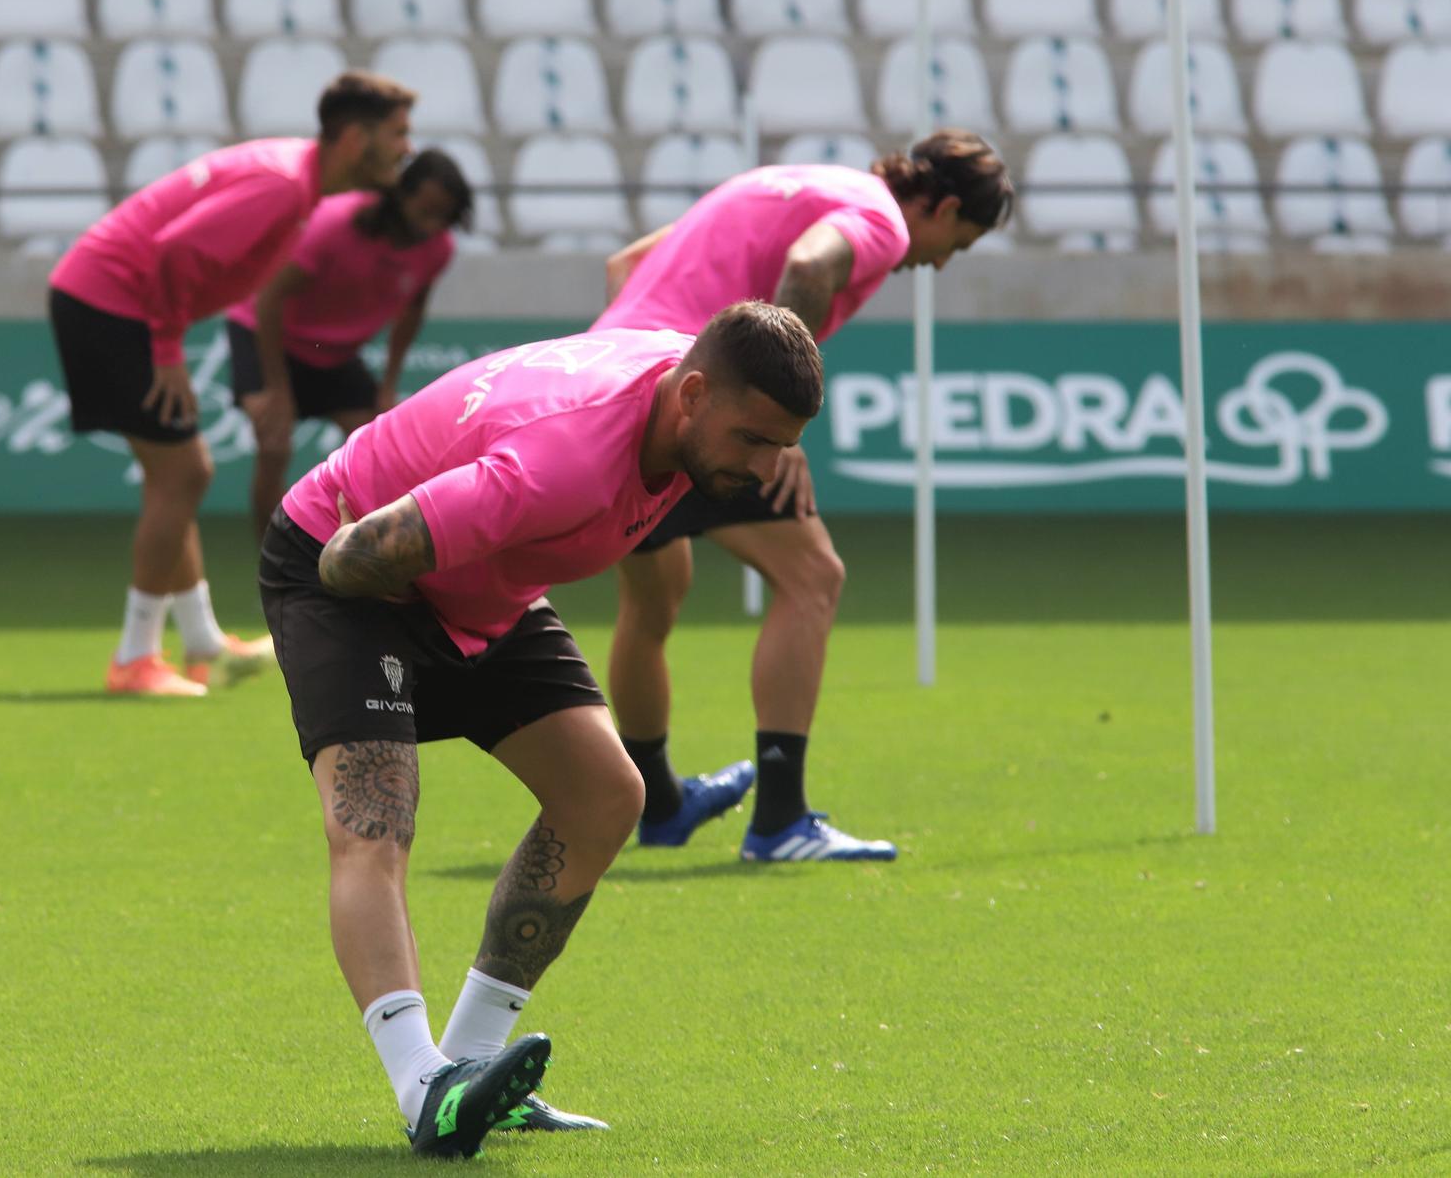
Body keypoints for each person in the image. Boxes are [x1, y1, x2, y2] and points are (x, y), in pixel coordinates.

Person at [258, 303, 825, 1154]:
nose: (767, 466)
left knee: (603, 795)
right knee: (376, 819)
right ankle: (424, 1089)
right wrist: (350, 645)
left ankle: (476, 1063)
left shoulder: (690, 386)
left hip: (483, 594)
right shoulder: (558, 466)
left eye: (781, 444)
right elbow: (358, 549)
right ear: (694, 394)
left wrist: (767, 443)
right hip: (350, 569)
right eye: (754, 440)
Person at [593, 130, 1015, 863]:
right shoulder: (878, 218)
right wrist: (771, 421)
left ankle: (659, 803)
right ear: (942, 205)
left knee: (654, 597)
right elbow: (807, 265)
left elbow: (626, 263)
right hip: (696, 405)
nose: (941, 260)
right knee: (813, 577)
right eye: (959, 241)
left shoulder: (795, 180)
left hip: (615, 379)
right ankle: (780, 820)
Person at [47, 71, 417, 697]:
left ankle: (200, 642)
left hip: (106, 301)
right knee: (185, 472)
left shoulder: (297, 178)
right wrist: (166, 348)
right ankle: (134, 660)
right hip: (111, 308)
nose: (408, 148)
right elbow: (172, 251)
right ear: (356, 139)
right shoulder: (282, 187)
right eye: (398, 134)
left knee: (179, 476)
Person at [225, 149, 473, 540]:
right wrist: (278, 389)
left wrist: (389, 384)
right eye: (425, 211)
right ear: (400, 195)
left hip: (332, 353)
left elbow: (412, 312)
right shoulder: (336, 223)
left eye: (443, 215)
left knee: (379, 451)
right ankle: (272, 561)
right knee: (273, 446)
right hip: (266, 334)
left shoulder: (437, 249)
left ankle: (367, 554)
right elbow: (270, 299)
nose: (432, 225)